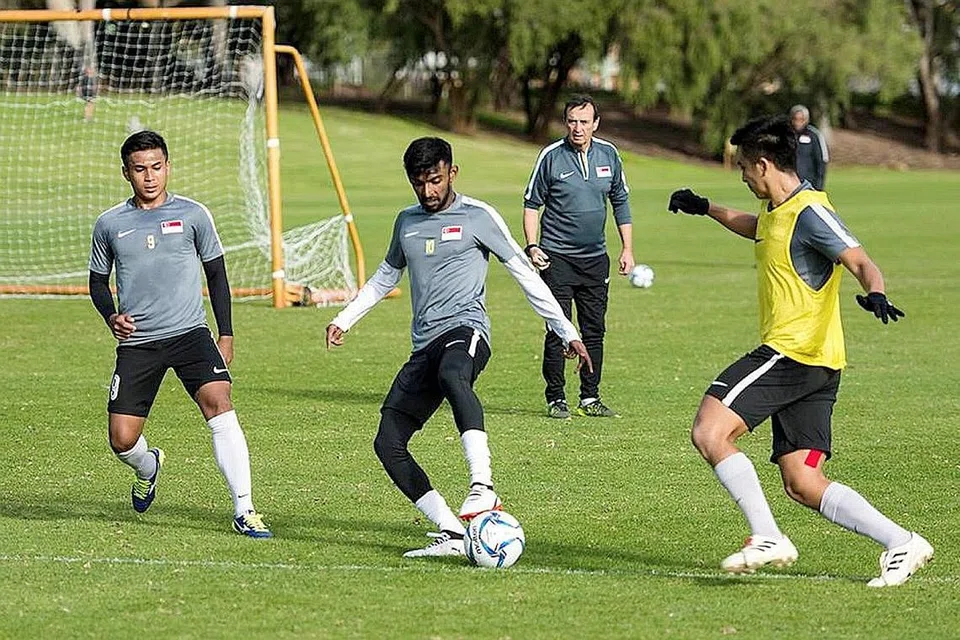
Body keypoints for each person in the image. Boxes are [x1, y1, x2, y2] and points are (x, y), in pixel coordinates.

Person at [667, 115, 931, 587]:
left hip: (792, 353)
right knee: (802, 482)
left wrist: (875, 292)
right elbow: (759, 228)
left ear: (764, 165)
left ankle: (767, 536)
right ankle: (902, 542)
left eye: (745, 169)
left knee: (709, 431)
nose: (743, 177)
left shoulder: (811, 211)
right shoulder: (777, 208)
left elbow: (860, 259)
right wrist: (707, 207)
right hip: (817, 365)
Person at [326, 137, 592, 558]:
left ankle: (482, 486)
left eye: (434, 180)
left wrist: (564, 329)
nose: (428, 192)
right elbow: (385, 277)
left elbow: (524, 273)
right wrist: (345, 318)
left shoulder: (478, 216)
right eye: (419, 183)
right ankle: (451, 532)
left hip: (467, 332)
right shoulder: (406, 222)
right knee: (388, 443)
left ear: (452, 172)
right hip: (423, 346)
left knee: (454, 375)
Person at [88, 130, 272, 538]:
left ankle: (245, 509)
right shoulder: (110, 224)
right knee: (121, 440)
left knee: (218, 400)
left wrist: (226, 334)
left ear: (168, 167)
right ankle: (148, 466)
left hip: (190, 333)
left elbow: (217, 275)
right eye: (140, 170)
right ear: (126, 173)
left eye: (156, 167)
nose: (149, 177)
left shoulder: (194, 215)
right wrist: (110, 317)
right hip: (138, 342)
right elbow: (98, 282)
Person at [522, 94, 633, 419]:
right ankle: (556, 398)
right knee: (559, 328)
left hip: (595, 259)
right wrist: (533, 246)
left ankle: (590, 397)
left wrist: (627, 248)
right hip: (556, 258)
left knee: (594, 330)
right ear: (565, 122)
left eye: (584, 122)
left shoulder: (609, 154)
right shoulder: (551, 156)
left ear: (595, 124)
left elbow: (621, 202)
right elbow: (531, 205)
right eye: (572, 121)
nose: (578, 128)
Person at [790, 105, 828, 190]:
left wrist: (819, 186)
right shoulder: (786, 135)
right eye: (795, 119)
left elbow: (821, 161)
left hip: (808, 184)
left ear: (806, 120)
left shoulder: (814, 135)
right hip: (789, 183)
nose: (797, 123)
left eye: (801, 120)